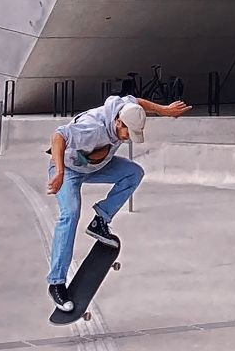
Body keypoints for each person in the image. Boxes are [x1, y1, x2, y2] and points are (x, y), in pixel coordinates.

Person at [45, 89, 190, 310]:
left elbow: (138, 101)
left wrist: (165, 111)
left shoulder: (125, 108)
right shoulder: (91, 128)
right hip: (68, 170)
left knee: (134, 173)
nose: (127, 138)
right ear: (118, 122)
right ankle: (56, 283)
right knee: (70, 214)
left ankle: (99, 221)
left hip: (96, 167)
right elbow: (59, 136)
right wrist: (60, 173)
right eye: (127, 133)